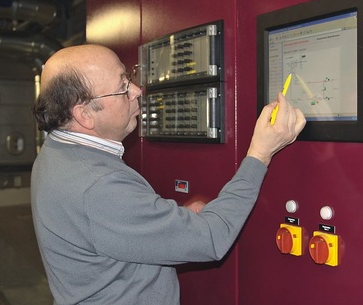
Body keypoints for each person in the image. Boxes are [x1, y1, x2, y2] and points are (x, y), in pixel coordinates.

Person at [31, 44, 305, 305]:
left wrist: (166, 221)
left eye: (129, 78)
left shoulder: (56, 153)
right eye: (122, 87)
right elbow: (211, 237)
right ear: (84, 115)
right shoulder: (98, 185)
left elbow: (109, 224)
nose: (137, 90)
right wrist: (260, 153)